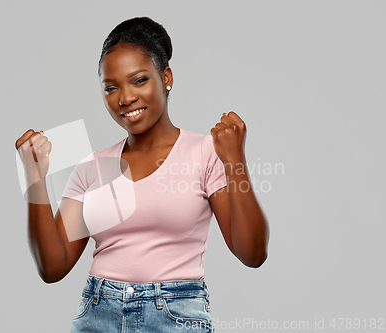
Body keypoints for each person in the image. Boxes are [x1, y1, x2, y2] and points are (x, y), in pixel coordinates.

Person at [15, 16, 269, 333]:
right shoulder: (94, 166)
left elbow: (253, 253)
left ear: (166, 77)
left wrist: (235, 161)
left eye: (138, 80)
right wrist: (35, 180)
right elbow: (52, 268)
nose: (124, 98)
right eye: (111, 87)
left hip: (174, 316)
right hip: (98, 316)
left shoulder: (204, 152)